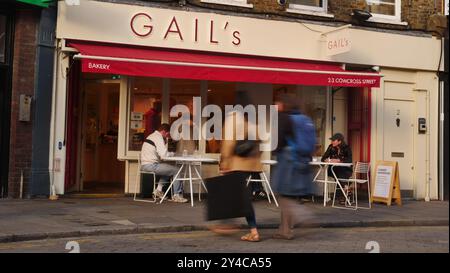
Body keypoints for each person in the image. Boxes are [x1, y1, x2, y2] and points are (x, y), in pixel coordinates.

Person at [219, 91, 263, 242]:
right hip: (249, 164)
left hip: (236, 163)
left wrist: (225, 162)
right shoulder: (252, 119)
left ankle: (241, 227)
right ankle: (240, 226)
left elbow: (229, 142)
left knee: (238, 196)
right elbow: (258, 143)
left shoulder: (234, 119)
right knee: (238, 195)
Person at [271, 95, 316, 240]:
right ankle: (285, 231)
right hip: (302, 161)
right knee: (289, 195)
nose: (276, 105)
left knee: (282, 195)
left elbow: (279, 142)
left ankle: (303, 215)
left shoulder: (285, 118)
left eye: (278, 103)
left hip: (288, 161)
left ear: (284, 105)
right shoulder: (305, 119)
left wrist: (275, 152)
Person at [141, 123, 188, 203]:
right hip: (151, 165)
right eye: (167, 134)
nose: (167, 136)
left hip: (145, 165)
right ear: (163, 131)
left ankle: (158, 190)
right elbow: (164, 155)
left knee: (169, 169)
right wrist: (173, 154)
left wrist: (165, 143)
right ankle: (177, 195)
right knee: (176, 170)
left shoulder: (152, 136)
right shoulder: (158, 137)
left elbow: (160, 154)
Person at [321, 133, 353, 204]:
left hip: (345, 170)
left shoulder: (347, 148)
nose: (332, 142)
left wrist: (339, 160)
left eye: (333, 140)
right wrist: (327, 160)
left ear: (339, 141)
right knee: (338, 172)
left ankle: (345, 192)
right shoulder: (330, 147)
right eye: (331, 140)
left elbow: (349, 160)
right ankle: (347, 188)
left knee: (340, 172)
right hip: (333, 170)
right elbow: (323, 158)